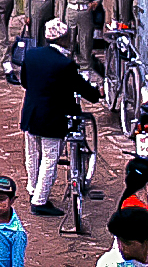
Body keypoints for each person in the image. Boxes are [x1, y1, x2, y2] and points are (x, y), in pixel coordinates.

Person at [17, 38, 100, 215]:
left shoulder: (32, 55)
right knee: (49, 158)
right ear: (63, 40)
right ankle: (39, 201)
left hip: (31, 113)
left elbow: (25, 82)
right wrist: (96, 94)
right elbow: (85, 90)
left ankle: (33, 188)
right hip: (52, 119)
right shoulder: (65, 64)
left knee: (32, 154)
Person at [59, 0, 104, 69]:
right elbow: (62, 2)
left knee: (86, 42)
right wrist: (61, 19)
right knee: (69, 42)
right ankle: (67, 67)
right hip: (71, 13)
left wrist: (95, 2)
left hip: (85, 13)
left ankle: (85, 68)